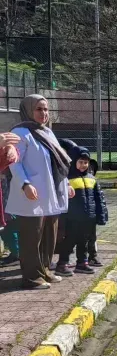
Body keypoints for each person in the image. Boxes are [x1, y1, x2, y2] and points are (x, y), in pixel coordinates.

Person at [6, 95, 75, 290]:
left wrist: (66, 183)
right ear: (28, 110)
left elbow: (57, 163)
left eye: (45, 109)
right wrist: (25, 184)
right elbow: (15, 162)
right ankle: (31, 277)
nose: (43, 113)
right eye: (38, 109)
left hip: (51, 192)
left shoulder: (47, 132)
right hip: (31, 194)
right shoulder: (21, 132)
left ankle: (44, 270)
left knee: (49, 236)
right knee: (31, 237)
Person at [55, 147, 108, 276]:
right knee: (69, 241)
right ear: (74, 162)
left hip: (88, 218)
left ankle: (82, 263)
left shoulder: (92, 179)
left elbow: (99, 199)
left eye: (86, 162)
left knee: (83, 242)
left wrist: (101, 215)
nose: (83, 165)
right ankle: (62, 264)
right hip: (72, 218)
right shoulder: (67, 179)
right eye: (80, 162)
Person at [0, 133, 20, 264]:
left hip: (7, 195)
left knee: (9, 225)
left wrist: (10, 148)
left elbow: (12, 156)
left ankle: (16, 253)